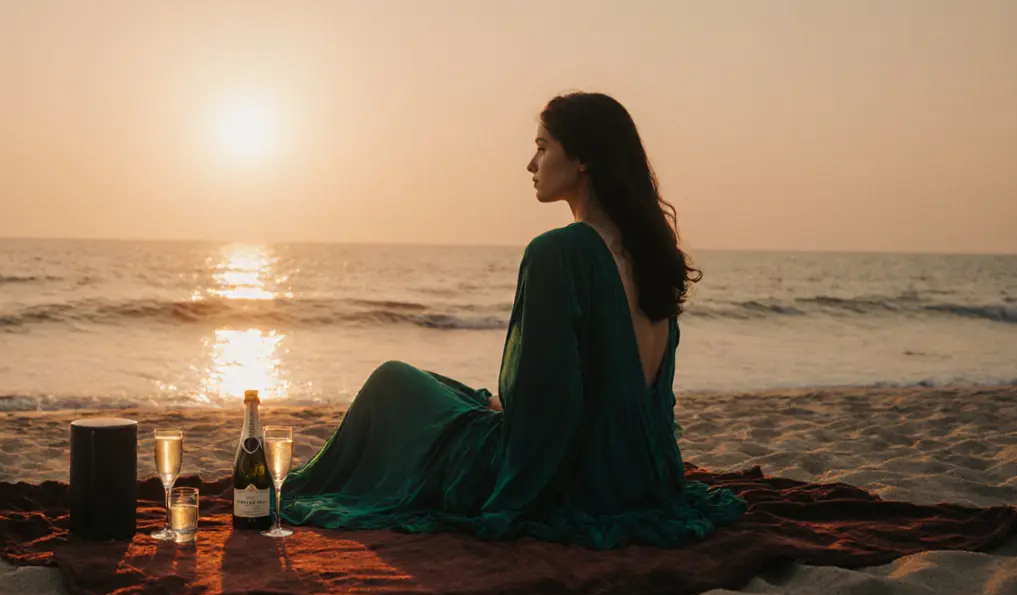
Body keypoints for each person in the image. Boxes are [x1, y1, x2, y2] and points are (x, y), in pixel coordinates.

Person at [280, 92, 746, 549]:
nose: (531, 164)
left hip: (575, 476)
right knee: (453, 392)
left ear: (582, 158)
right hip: (643, 475)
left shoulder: (561, 252)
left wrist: (504, 406)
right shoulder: (651, 256)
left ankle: (295, 486)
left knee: (393, 382)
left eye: (542, 148)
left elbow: (541, 409)